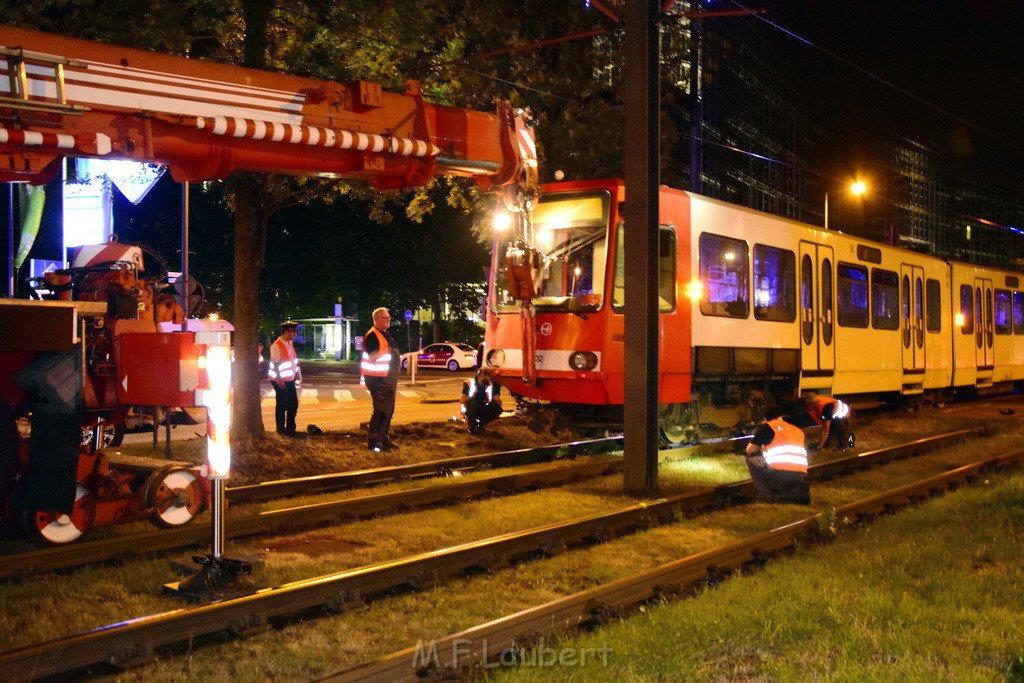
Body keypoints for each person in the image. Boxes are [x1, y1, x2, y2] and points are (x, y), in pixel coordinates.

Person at [744, 406, 810, 504]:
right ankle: (789, 495)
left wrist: (762, 446)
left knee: (751, 460)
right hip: (801, 476)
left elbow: (750, 450)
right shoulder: (797, 430)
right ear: (780, 417)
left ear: (765, 419)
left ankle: (767, 498)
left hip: (781, 474)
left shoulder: (768, 426)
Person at [361, 307, 400, 452]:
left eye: (389, 318)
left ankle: (383, 438)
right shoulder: (373, 335)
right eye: (385, 318)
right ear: (377, 320)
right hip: (378, 380)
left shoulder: (385, 334)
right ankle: (374, 441)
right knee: (381, 410)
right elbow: (372, 357)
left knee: (388, 410)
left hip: (388, 380)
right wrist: (385, 353)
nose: (388, 320)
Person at [268, 321, 302, 436]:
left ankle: (290, 429)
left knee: (293, 404)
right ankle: (281, 430)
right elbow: (275, 364)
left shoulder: (289, 344)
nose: (295, 334)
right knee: (282, 405)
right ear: (286, 331)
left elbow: (293, 361)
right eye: (293, 332)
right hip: (280, 381)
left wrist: (297, 374)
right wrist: (279, 380)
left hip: (290, 379)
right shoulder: (276, 345)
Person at [461, 367, 503, 434]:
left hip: (481, 406)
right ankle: (471, 427)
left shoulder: (489, 385)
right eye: (488, 376)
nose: (490, 378)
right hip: (469, 409)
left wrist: (498, 403)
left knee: (498, 409)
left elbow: (496, 399)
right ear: (483, 376)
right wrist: (472, 396)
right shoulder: (470, 384)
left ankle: (480, 425)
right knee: (473, 403)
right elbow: (462, 400)